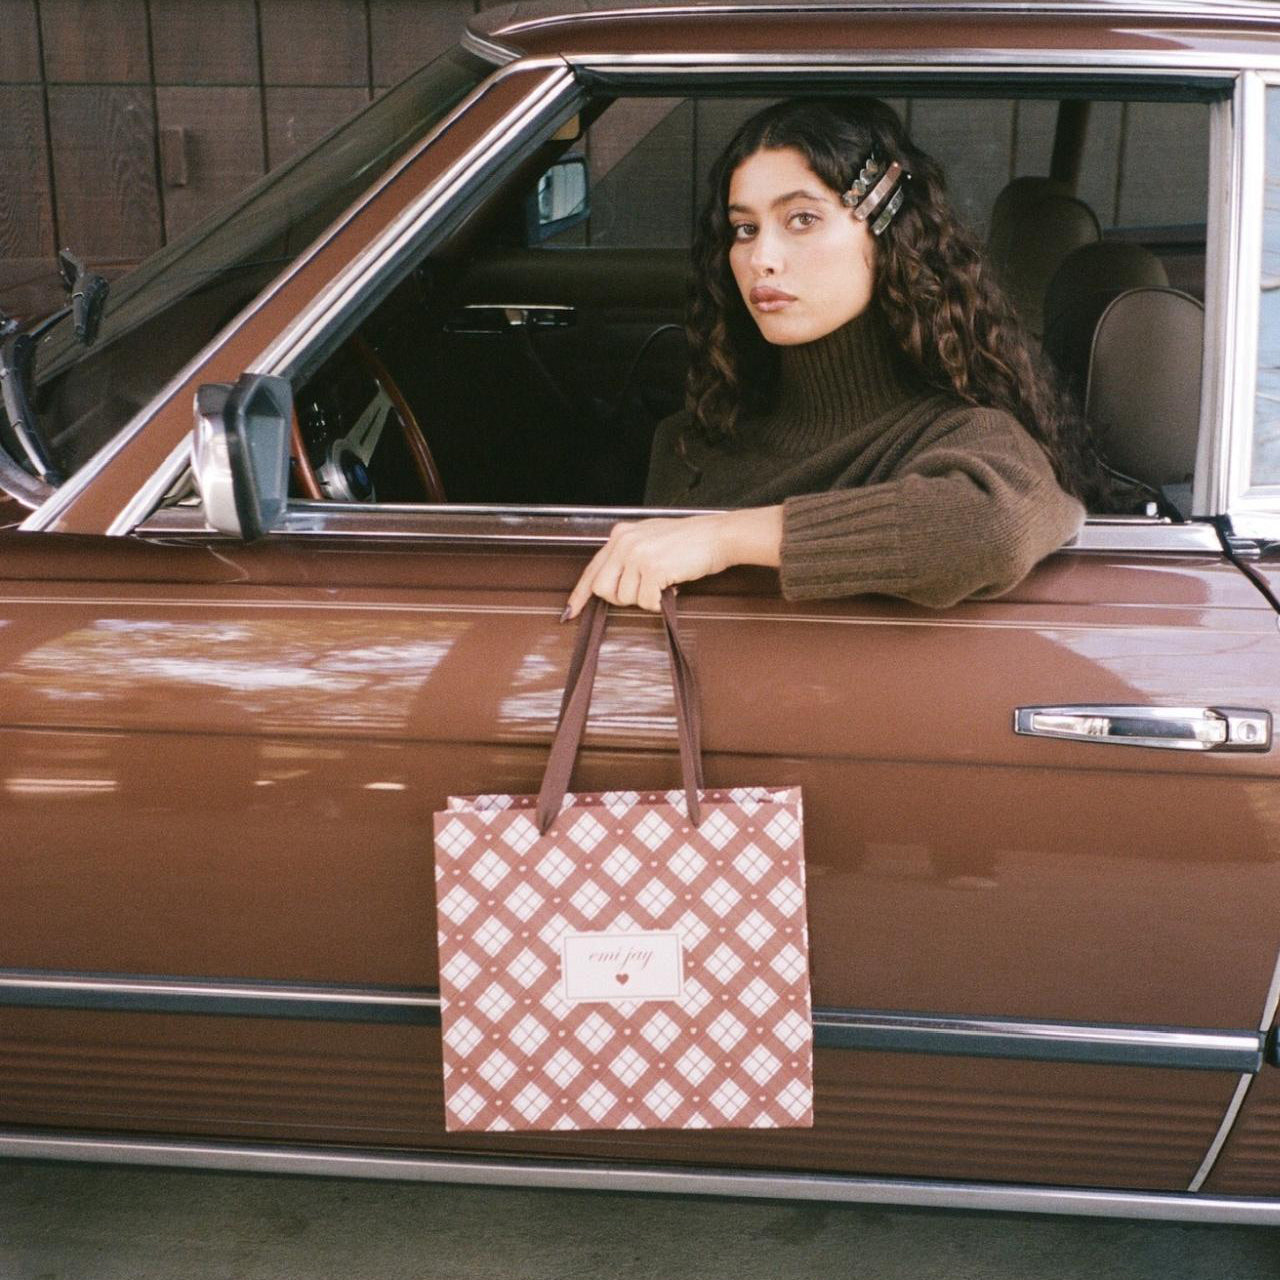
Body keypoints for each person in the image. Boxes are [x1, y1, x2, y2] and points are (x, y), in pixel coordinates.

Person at [562, 97, 1089, 621]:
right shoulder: (695, 442)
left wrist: (722, 537)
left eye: (802, 219)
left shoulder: (960, 435)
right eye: (745, 229)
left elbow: (990, 528)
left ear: (887, 236)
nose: (761, 258)